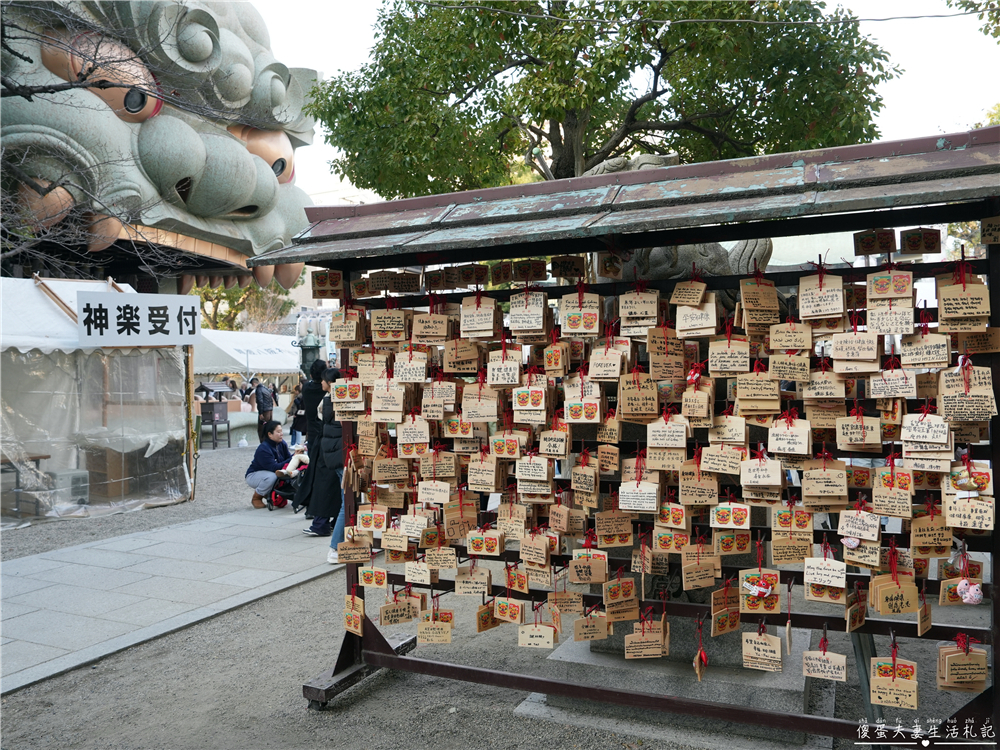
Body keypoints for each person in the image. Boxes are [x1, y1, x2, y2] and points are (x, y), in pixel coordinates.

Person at [301, 367, 343, 539]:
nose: (322, 383)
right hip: (334, 447)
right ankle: (328, 525)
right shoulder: (332, 398)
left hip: (330, 449)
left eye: (324, 380)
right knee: (338, 490)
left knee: (336, 490)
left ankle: (332, 539)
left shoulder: (331, 400)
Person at [292, 359, 327, 514]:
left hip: (312, 431)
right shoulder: (326, 389)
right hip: (325, 430)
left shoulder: (307, 388)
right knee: (324, 470)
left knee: (312, 468)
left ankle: (310, 506)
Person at [245, 420, 292, 508]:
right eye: (278, 432)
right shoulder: (263, 449)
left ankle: (269, 494)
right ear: (270, 434)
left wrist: (296, 457)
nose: (281, 434)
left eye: (281, 431)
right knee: (272, 477)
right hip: (254, 475)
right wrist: (293, 458)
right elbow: (274, 467)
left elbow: (288, 459)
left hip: (270, 473)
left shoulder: (282, 443)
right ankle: (256, 498)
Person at [251, 377, 274, 442]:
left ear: (254, 383)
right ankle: (269, 442)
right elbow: (271, 400)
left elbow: (260, 401)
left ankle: (263, 443)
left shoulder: (259, 390)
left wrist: (260, 413)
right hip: (270, 410)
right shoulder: (265, 389)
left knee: (261, 429)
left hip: (264, 411)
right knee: (269, 428)